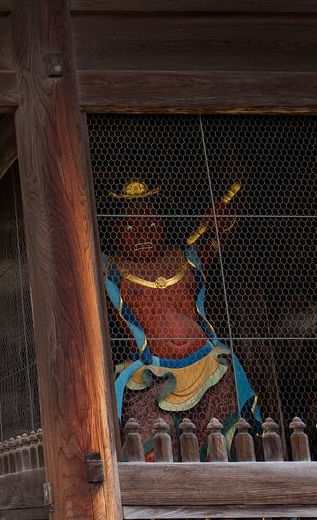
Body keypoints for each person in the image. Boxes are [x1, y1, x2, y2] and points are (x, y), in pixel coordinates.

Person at [102, 178, 261, 451]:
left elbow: (215, 242)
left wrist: (222, 221)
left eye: (151, 225)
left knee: (223, 436)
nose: (143, 235)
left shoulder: (184, 258)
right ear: (111, 231)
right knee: (150, 440)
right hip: (152, 371)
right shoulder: (111, 268)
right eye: (129, 228)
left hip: (208, 364)